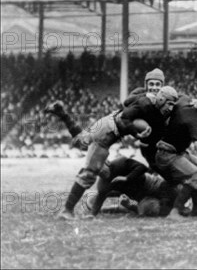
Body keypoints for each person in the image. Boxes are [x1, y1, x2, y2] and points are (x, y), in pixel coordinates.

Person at [56, 86, 179, 220]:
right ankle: (67, 210)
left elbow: (128, 103)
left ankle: (62, 113)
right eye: (169, 104)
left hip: (107, 124)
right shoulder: (146, 103)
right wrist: (136, 134)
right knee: (90, 173)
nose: (170, 108)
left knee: (83, 146)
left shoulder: (149, 104)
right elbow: (124, 119)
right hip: (108, 131)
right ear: (161, 98)